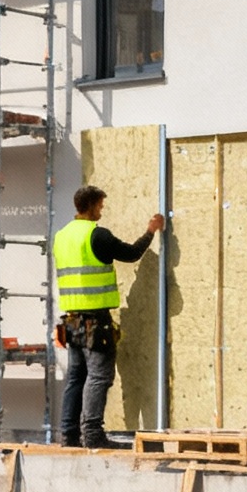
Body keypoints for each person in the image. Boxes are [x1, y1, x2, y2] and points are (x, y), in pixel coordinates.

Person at [52, 185, 165, 447]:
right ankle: (92, 434)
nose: (101, 211)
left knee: (76, 377)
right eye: (100, 206)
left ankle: (68, 434)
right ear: (90, 205)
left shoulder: (62, 236)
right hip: (95, 320)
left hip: (72, 320)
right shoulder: (96, 235)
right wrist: (151, 231)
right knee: (99, 377)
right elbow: (130, 253)